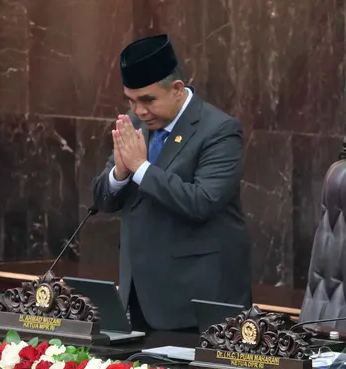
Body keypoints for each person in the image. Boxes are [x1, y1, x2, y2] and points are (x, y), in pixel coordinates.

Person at [91, 34, 251, 331]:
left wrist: (140, 167)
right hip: (138, 296)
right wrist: (120, 174)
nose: (138, 110)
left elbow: (201, 202)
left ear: (177, 89)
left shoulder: (218, 130)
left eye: (147, 100)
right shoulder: (136, 123)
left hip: (195, 302)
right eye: (131, 100)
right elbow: (102, 200)